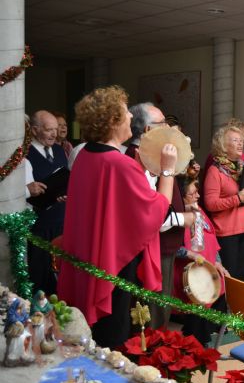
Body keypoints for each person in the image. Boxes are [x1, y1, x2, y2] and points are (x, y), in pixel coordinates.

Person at [58, 85, 175, 349]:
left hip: (89, 257)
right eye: (125, 113)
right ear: (113, 122)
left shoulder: (85, 156)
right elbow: (156, 211)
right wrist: (168, 170)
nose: (131, 118)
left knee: (94, 340)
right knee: (115, 339)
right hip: (115, 266)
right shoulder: (120, 164)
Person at [127, 103, 196, 330]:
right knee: (153, 312)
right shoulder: (136, 160)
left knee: (162, 306)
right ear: (147, 130)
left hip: (165, 246)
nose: (168, 129)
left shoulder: (153, 155)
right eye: (162, 125)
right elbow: (148, 215)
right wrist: (181, 219)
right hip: (153, 248)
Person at [204, 120, 244, 280]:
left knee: (241, 278)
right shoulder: (215, 170)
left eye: (241, 141)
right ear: (223, 145)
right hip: (226, 233)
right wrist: (238, 198)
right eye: (235, 140)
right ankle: (222, 307)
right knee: (227, 279)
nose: (240, 144)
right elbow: (210, 204)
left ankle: (237, 307)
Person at [173, 175, 229, 345]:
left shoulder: (199, 210)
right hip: (191, 272)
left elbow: (211, 236)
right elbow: (169, 247)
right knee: (196, 319)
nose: (198, 196)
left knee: (219, 293)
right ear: (181, 197)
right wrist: (190, 254)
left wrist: (218, 261)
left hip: (210, 267)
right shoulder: (176, 216)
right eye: (193, 193)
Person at [25, 110, 67, 296]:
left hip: (61, 219)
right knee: (40, 272)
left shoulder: (59, 150)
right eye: (49, 130)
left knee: (60, 271)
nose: (54, 134)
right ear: (35, 130)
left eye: (56, 130)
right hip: (38, 224)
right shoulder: (24, 153)